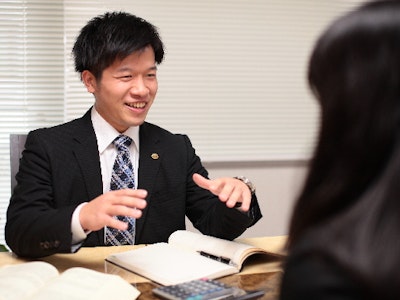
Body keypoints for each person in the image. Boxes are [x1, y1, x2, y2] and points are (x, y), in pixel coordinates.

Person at [5, 11, 262, 258]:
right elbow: (19, 231)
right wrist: (82, 217)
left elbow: (214, 225)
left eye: (150, 75)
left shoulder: (175, 148)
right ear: (90, 81)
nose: (142, 90)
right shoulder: (49, 145)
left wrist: (238, 198)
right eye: (126, 76)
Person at [280, 1, 400, 299]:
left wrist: (241, 192)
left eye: (151, 75)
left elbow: (214, 219)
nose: (142, 89)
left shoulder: (330, 269)